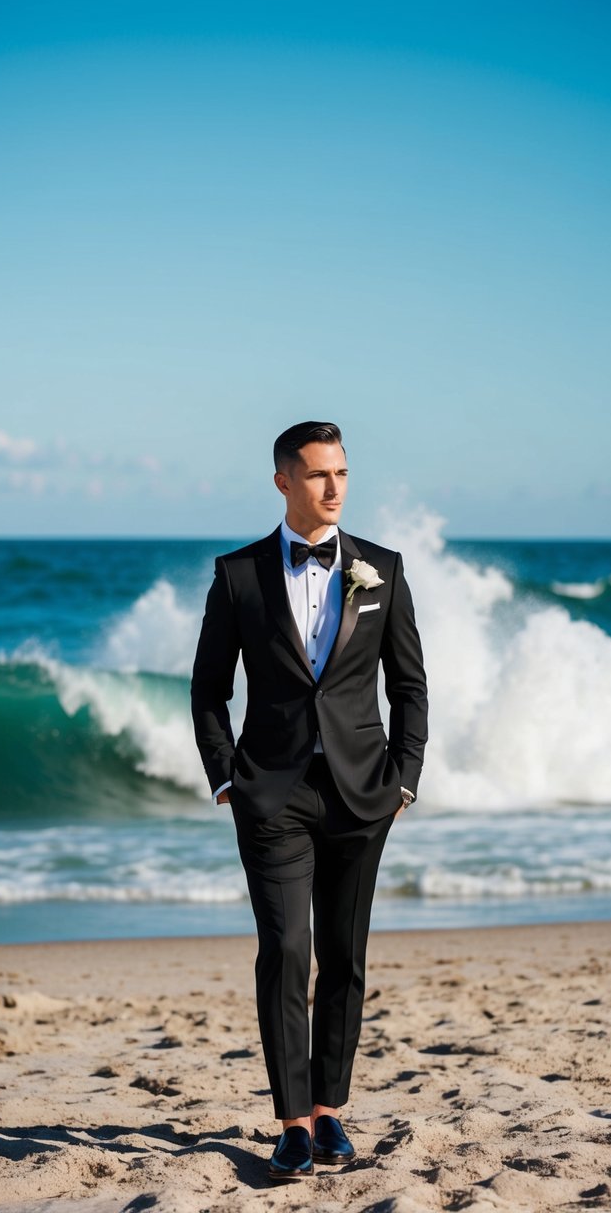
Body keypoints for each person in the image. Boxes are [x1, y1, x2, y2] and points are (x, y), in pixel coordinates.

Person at [190, 420, 428, 1181]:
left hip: (362, 793)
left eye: (344, 475)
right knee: (286, 951)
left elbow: (409, 684)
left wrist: (405, 777)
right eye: (320, 475)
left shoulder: (381, 567)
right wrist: (227, 776)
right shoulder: (238, 575)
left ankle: (329, 1110)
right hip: (273, 793)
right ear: (283, 482)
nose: (334, 489)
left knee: (344, 958)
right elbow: (206, 690)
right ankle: (291, 1121)